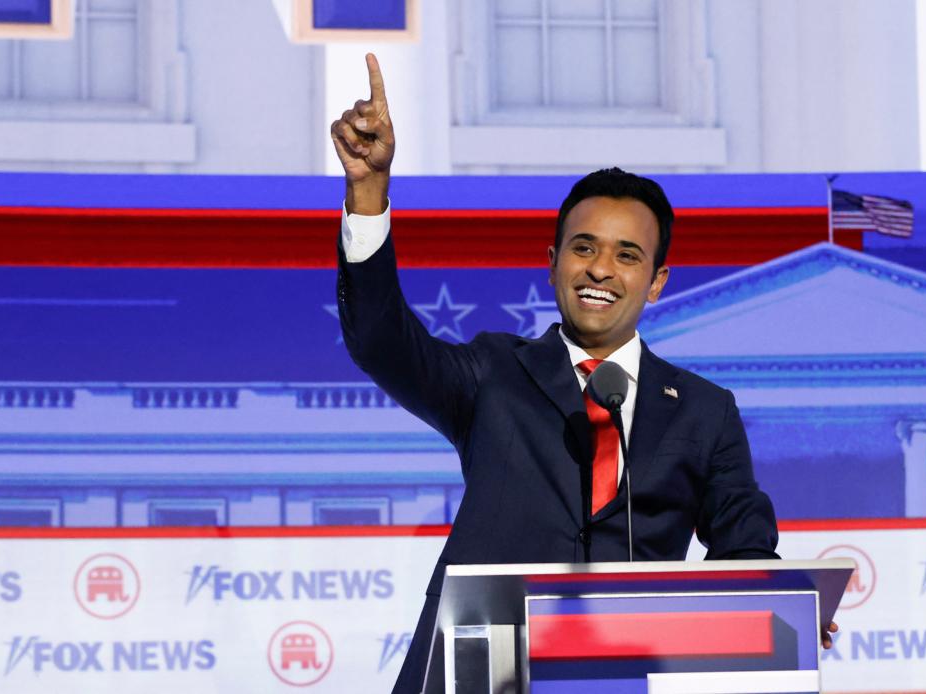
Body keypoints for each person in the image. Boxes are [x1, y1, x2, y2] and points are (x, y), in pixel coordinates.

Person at [332, 53, 834, 694]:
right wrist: (368, 195)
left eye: (627, 256)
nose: (601, 269)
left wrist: (780, 603)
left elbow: (743, 542)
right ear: (552, 262)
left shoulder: (704, 411)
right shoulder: (494, 374)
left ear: (655, 284)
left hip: (635, 673)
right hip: (485, 671)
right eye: (584, 248)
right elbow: (380, 341)